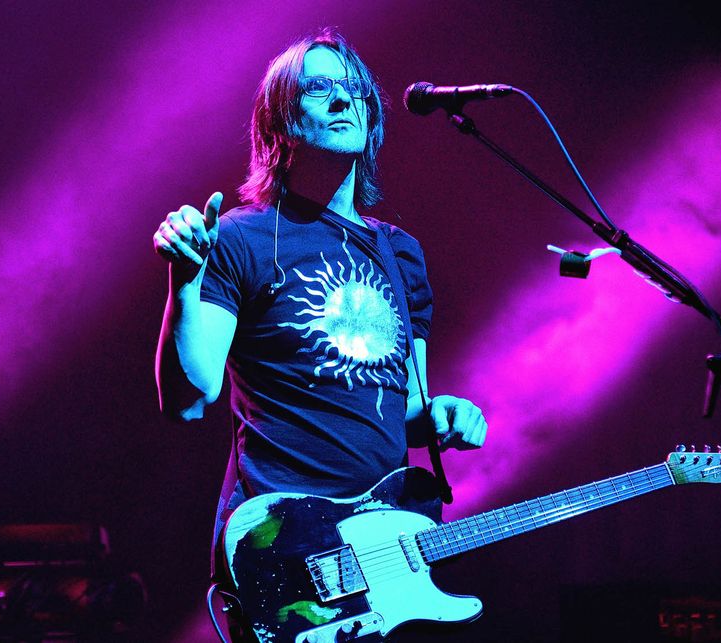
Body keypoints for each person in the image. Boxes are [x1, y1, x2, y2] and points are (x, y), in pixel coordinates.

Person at [152, 26, 487, 615]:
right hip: (287, 547)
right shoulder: (241, 238)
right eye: (320, 89)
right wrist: (184, 281)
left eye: (354, 89)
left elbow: (405, 405)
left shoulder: (399, 251)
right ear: (277, 122)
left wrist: (442, 414)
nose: (342, 100)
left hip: (384, 545)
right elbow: (189, 395)